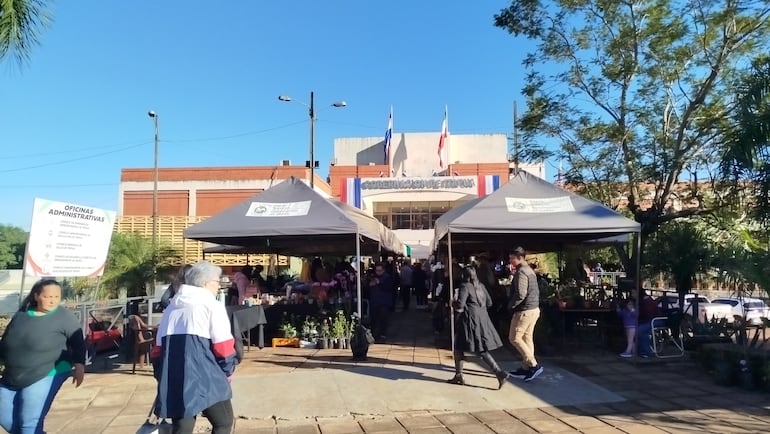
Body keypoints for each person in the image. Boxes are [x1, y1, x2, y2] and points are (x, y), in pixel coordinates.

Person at [151, 261, 237, 434]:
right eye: (217, 282)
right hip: (207, 375)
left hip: (174, 376)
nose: (218, 286)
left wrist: (162, 376)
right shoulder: (212, 306)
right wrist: (227, 371)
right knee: (224, 422)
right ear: (205, 283)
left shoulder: (171, 309)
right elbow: (224, 346)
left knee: (182, 427)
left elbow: (157, 350)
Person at [0, 279, 86, 434]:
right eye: (47, 296)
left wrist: (80, 365)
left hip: (47, 372)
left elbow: (78, 341)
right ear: (36, 296)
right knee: (8, 419)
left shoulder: (64, 317)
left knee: (29, 423)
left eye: (56, 297)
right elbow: (7, 340)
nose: (52, 300)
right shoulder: (22, 315)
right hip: (12, 375)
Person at [447, 267, 510, 389]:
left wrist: (452, 302)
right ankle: (459, 374)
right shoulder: (481, 286)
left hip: (469, 320)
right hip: (482, 318)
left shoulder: (465, 286)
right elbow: (489, 302)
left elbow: (460, 304)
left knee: (469, 348)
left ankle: (499, 373)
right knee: (467, 347)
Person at [507, 247, 544, 382]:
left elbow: (521, 294)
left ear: (519, 258)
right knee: (527, 338)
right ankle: (526, 367)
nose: (510, 261)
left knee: (514, 338)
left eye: (512, 258)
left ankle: (533, 365)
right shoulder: (530, 270)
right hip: (534, 309)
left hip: (524, 310)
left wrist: (511, 305)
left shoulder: (521, 272)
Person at [368, 263, 393, 342]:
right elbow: (369, 287)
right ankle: (374, 335)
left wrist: (379, 283)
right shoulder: (373, 277)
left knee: (383, 319)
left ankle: (382, 335)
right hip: (374, 301)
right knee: (374, 320)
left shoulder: (387, 278)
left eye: (380, 270)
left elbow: (389, 288)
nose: (378, 272)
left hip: (384, 302)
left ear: (383, 270)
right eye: (377, 270)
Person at [637, 290, 660, 357]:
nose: (632, 295)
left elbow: (647, 315)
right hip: (651, 320)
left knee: (641, 330)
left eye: (634, 293)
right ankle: (643, 350)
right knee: (642, 329)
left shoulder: (646, 302)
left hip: (655, 320)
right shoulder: (646, 301)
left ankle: (645, 351)